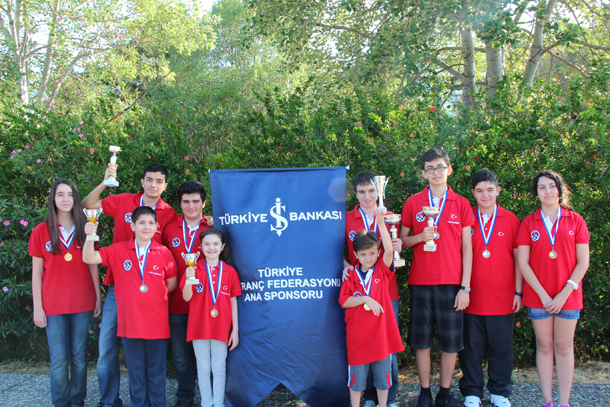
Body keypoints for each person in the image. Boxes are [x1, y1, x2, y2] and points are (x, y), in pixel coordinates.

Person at [82, 162, 179, 407]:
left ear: (165, 186)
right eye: (149, 179)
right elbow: (88, 204)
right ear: (142, 181)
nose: (153, 185)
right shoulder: (124, 200)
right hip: (119, 287)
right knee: (107, 347)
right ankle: (109, 401)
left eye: (159, 181)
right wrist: (105, 182)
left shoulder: (169, 213)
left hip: (150, 294)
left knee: (151, 359)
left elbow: (175, 246)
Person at [399, 147, 474, 407]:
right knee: (421, 342)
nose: (436, 172)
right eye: (430, 168)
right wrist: (421, 237)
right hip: (420, 282)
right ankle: (424, 392)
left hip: (452, 284)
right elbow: (401, 241)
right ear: (423, 173)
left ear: (449, 169)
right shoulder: (413, 202)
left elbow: (468, 248)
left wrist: (465, 287)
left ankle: (444, 392)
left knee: (451, 342)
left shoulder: (461, 203)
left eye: (440, 167)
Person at [517, 171, 589, 407]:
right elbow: (523, 263)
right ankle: (548, 401)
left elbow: (583, 262)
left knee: (564, 347)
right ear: (536, 193)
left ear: (559, 190)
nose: (547, 191)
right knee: (545, 346)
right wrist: (545, 296)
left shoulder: (576, 220)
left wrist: (563, 294)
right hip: (539, 298)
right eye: (542, 187)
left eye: (551, 186)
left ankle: (564, 403)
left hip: (568, 297)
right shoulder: (529, 223)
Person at [29, 179, 102, 407]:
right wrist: (38, 307)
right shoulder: (40, 231)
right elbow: (36, 273)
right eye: (60, 194)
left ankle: (77, 401)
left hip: (82, 303)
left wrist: (98, 296)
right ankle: (61, 402)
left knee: (79, 357)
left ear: (75, 199)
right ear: (53, 199)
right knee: (59, 359)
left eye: (70, 194)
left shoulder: (86, 227)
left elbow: (93, 265)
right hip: (53, 305)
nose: (65, 199)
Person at [459, 170, 522, 407]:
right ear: (473, 193)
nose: (485, 195)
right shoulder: (467, 217)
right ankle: (472, 391)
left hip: (502, 296)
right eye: (479, 191)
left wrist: (518, 292)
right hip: (471, 296)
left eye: (490, 190)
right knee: (471, 348)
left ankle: (499, 391)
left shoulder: (511, 219)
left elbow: (519, 260)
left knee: (501, 347)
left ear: (498, 191)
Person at [343, 171, 403, 407]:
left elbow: (393, 250)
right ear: (355, 194)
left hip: (385, 292)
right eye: (362, 192)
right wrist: (346, 266)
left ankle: (390, 399)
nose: (367, 196)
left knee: (386, 348)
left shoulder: (388, 216)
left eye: (371, 191)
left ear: (377, 192)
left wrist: (398, 244)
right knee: (362, 346)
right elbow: (335, 249)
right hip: (357, 289)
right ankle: (368, 397)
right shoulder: (347, 218)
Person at [162, 181, 211, 407]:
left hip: (206, 304)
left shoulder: (213, 228)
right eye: (186, 201)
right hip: (176, 305)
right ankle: (185, 396)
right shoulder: (170, 228)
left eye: (196, 201)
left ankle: (212, 397)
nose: (191, 206)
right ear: (180, 203)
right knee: (181, 357)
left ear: (204, 203)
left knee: (208, 356)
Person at [182, 228, 241, 407]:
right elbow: (186, 297)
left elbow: (233, 302)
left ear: (222, 247)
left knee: (219, 366)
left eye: (215, 244)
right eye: (206, 244)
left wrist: (235, 330)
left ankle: (219, 403)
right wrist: (189, 279)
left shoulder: (229, 272)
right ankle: (206, 403)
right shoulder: (194, 269)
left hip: (221, 326)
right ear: (200, 247)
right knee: (203, 367)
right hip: (198, 326)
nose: (211, 248)